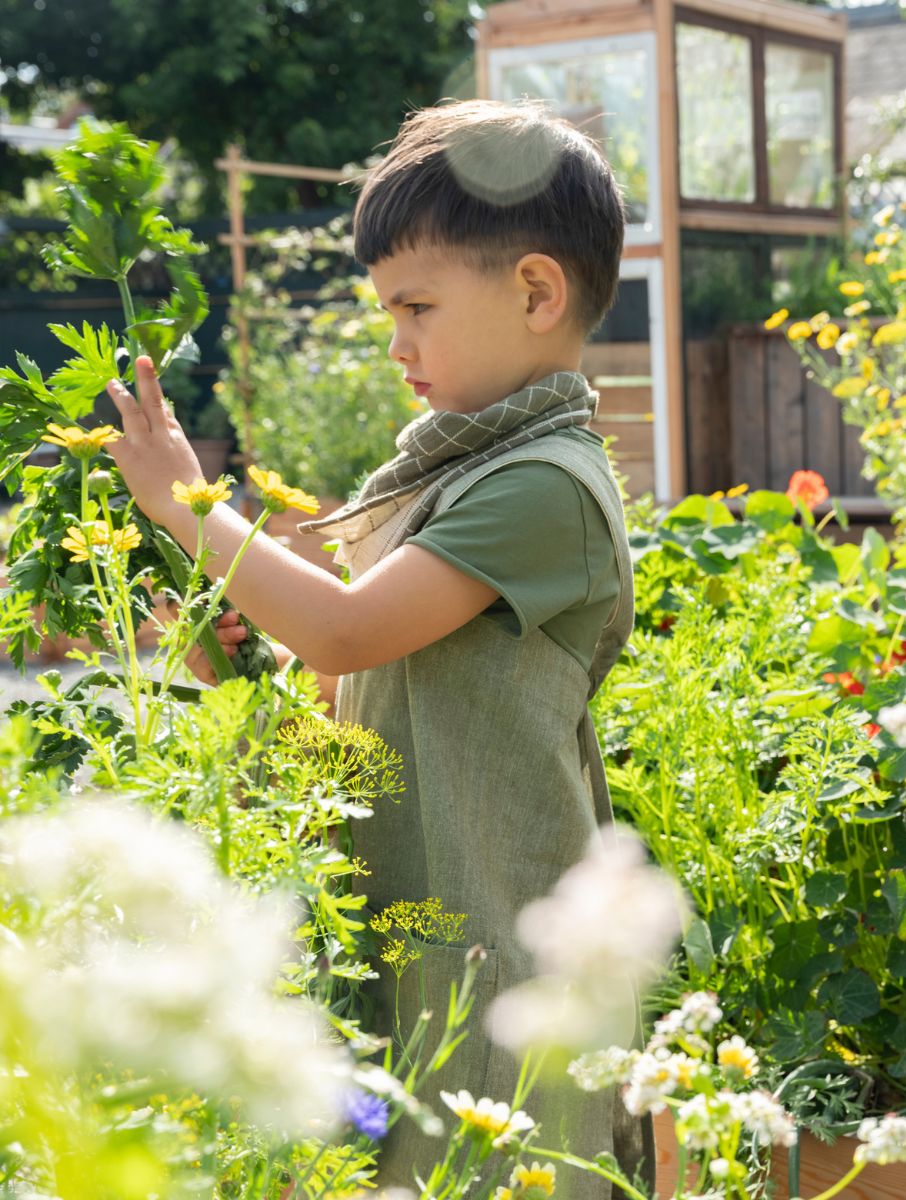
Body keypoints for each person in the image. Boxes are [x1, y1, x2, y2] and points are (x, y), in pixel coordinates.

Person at [107, 99, 649, 1196]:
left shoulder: (544, 485)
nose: (396, 342)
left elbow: (345, 628)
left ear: (537, 291)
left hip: (504, 953)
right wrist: (234, 667)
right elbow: (345, 703)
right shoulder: (451, 479)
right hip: (409, 930)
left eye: (417, 306)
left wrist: (187, 510)